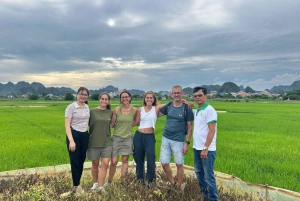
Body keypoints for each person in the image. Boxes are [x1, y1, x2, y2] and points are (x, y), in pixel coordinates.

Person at [158, 85, 194, 188]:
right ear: (172, 94)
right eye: (175, 93)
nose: (176, 95)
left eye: (178, 93)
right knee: (164, 163)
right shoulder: (169, 106)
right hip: (166, 138)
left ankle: (179, 186)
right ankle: (173, 183)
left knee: (179, 164)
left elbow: (190, 127)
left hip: (178, 140)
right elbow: (158, 113)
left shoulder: (186, 109)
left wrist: (186, 143)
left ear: (182, 94)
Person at [132, 91, 165, 184]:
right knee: (139, 158)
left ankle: (151, 180)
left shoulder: (156, 108)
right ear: (144, 99)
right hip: (139, 136)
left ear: (154, 99)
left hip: (150, 137)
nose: (149, 99)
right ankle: (140, 180)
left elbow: (170, 104)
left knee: (151, 158)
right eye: (147, 97)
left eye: (151, 98)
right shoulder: (140, 109)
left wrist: (182, 101)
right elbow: (136, 122)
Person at [192, 86, 218, 201]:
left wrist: (205, 148)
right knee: (198, 172)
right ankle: (204, 196)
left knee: (208, 177)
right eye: (195, 96)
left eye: (200, 95)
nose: (197, 98)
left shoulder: (209, 110)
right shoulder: (198, 110)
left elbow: (212, 130)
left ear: (205, 96)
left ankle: (212, 198)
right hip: (197, 148)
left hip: (207, 150)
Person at [107, 91, 137, 184]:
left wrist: (128, 125)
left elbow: (137, 121)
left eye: (126, 97)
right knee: (114, 161)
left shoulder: (135, 110)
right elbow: (112, 124)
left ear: (130, 98)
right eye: (122, 97)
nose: (124, 98)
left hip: (128, 138)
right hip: (117, 137)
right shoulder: (116, 110)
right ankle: (109, 181)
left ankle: (123, 181)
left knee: (125, 160)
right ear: (120, 99)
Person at [64, 87, 90, 195]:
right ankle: (76, 186)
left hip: (85, 135)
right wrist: (71, 140)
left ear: (87, 96)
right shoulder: (71, 107)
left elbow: (87, 122)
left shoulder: (87, 107)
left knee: (81, 160)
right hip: (74, 134)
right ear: (77, 94)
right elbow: (67, 124)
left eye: (85, 94)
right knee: (74, 161)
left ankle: (77, 186)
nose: (83, 96)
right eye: (81, 94)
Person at [87, 93, 113, 192]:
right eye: (102, 99)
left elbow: (113, 124)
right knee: (95, 164)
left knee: (105, 164)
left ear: (108, 101)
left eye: (106, 99)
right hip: (93, 142)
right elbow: (86, 123)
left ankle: (100, 186)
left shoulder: (110, 113)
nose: (104, 101)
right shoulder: (92, 112)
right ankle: (95, 183)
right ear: (99, 99)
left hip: (106, 142)